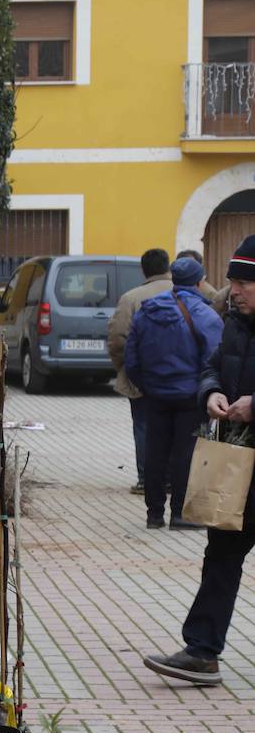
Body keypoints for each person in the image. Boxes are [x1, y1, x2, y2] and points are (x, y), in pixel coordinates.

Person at [145, 235, 255, 686]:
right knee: (222, 555)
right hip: (238, 463)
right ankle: (202, 651)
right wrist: (211, 392)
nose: (235, 290)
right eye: (232, 281)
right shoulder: (233, 323)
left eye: (246, 282)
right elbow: (212, 365)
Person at [124, 256, 223, 531]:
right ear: (200, 282)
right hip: (191, 397)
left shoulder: (147, 311)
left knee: (155, 453)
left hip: (155, 395)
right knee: (186, 453)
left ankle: (154, 514)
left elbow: (130, 358)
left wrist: (146, 386)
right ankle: (180, 514)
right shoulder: (205, 315)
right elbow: (214, 360)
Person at [108, 248, 172, 495]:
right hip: (181, 378)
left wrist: (125, 368)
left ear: (143, 270)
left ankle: (147, 479)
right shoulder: (186, 294)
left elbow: (117, 338)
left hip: (142, 377)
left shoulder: (131, 298)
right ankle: (172, 478)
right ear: (168, 267)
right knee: (176, 426)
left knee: (144, 427)